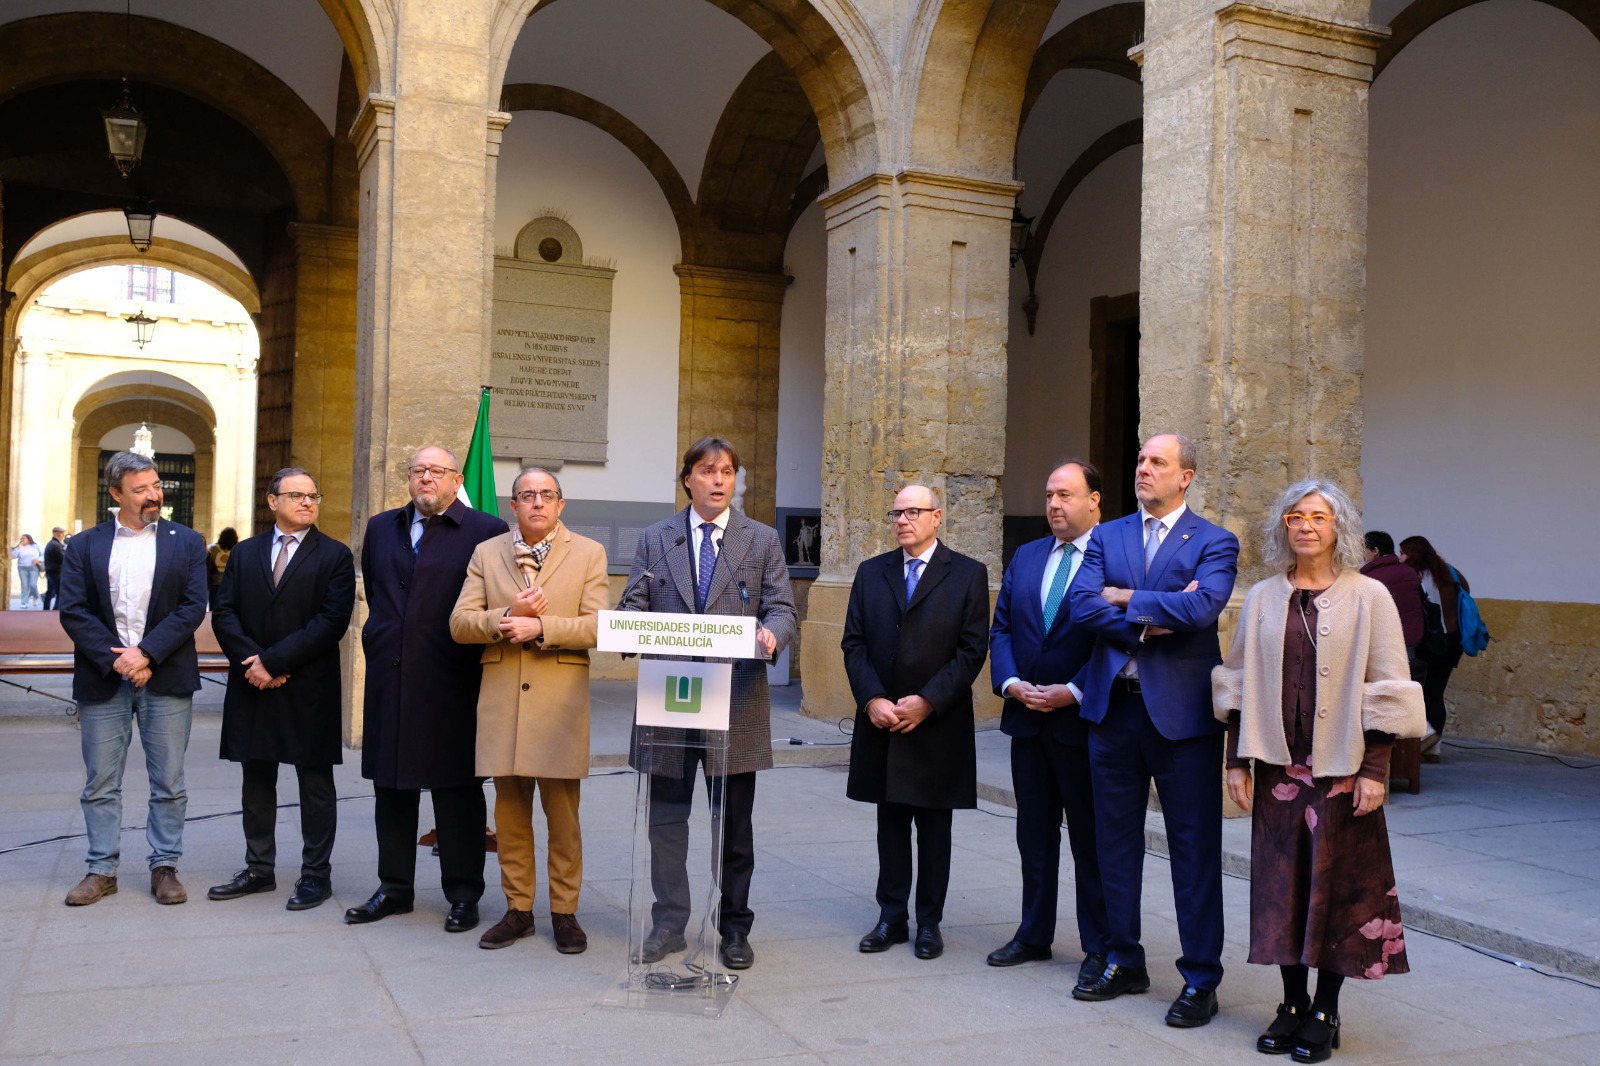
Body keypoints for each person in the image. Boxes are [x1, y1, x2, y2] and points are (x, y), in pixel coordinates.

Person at [1214, 480, 1424, 1062]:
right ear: (1283, 528)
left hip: (1342, 770)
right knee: (1280, 890)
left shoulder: (1370, 596)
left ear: (1339, 528)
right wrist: (1236, 759)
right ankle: (1290, 1005)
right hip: (1278, 770)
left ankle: (1326, 1011)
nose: (1305, 526)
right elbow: (1235, 682)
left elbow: (1388, 689)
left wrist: (1376, 770)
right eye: (1295, 517)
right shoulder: (1261, 596)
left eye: (1318, 517)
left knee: (1337, 892)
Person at [1067, 432, 1239, 1027]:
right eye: (1139, 458)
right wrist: (1148, 616)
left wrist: (1125, 597)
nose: (1142, 468)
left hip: (1183, 720)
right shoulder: (1107, 535)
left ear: (1185, 476)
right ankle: (1123, 959)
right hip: (1114, 711)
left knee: (1193, 850)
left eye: (1156, 461)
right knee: (1113, 844)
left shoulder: (1215, 540)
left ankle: (1200, 978)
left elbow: (1202, 610)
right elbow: (1081, 607)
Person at [621, 436, 796, 971]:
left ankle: (734, 928)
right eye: (707, 470)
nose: (719, 480)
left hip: (735, 701)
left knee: (733, 825)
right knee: (667, 823)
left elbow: (783, 608)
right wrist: (629, 626)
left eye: (727, 471)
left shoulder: (760, 540)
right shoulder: (658, 540)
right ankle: (669, 923)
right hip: (669, 703)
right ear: (688, 479)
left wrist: (771, 635)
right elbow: (634, 602)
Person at [347, 446, 507, 933]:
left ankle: (463, 894)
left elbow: (490, 602)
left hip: (452, 679)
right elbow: (378, 592)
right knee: (391, 788)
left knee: (456, 790)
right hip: (391, 676)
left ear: (457, 479)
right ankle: (394, 888)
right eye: (417, 471)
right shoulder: (381, 528)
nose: (425, 479)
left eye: (436, 471)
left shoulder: (486, 531)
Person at [449, 466, 608, 954]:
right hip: (502, 704)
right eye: (526, 495)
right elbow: (459, 623)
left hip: (558, 703)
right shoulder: (485, 553)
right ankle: (518, 911)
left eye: (547, 495)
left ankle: (565, 914)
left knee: (563, 820)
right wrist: (507, 618)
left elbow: (600, 626)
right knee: (511, 817)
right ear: (512, 506)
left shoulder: (588, 553)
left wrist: (542, 628)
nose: (537, 502)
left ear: (561, 506)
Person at [842, 484, 990, 961]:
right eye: (897, 512)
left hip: (936, 723)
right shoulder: (871, 573)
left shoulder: (967, 574)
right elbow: (854, 643)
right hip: (883, 721)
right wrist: (871, 700)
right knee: (890, 824)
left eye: (914, 512)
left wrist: (927, 701)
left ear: (937, 517)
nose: (903, 520)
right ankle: (891, 917)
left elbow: (971, 651)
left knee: (933, 827)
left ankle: (929, 922)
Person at [57, 451, 208, 906]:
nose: (153, 495)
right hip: (105, 679)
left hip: (165, 676)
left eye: (156, 486)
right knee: (101, 781)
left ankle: (165, 866)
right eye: (141, 489)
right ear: (116, 492)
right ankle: (101, 869)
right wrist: (118, 659)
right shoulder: (84, 545)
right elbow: (74, 610)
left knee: (170, 781)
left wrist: (146, 654)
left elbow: (191, 607)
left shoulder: (187, 542)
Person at [207, 468, 355, 911]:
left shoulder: (335, 555)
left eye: (314, 495)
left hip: (308, 686)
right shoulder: (246, 553)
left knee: (314, 784)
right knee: (256, 780)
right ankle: (258, 869)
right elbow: (224, 612)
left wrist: (273, 661)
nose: (308, 502)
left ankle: (316, 875)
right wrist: (253, 662)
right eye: (296, 495)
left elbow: (330, 622)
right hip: (253, 684)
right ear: (272, 502)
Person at [986, 461, 1109, 982]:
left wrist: (1074, 690)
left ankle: (1099, 946)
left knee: (1089, 841)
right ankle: (1033, 933)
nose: (1054, 505)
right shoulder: (1029, 554)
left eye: (1065, 495)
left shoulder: (1114, 557)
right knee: (1033, 836)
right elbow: (1004, 627)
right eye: (1048, 495)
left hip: (1082, 722)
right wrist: (1012, 683)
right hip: (1028, 720)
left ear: (1093, 501)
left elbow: (1113, 638)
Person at [1400, 535, 1469, 755]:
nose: (1400, 557)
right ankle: (1434, 748)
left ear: (1413, 555)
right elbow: (1465, 593)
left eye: (1403, 553)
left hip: (1430, 642)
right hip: (1453, 640)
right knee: (1436, 693)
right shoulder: (1450, 572)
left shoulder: (1415, 578)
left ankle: (1427, 739)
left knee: (1420, 694)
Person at [1361, 531, 1426, 687]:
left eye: (1363, 549)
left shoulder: (1370, 577)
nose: (1361, 554)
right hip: (1410, 640)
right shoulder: (1409, 572)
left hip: (1383, 646)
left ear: (1375, 551)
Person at [207, 527, 238, 610]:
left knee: (213, 609)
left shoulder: (212, 549)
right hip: (231, 584)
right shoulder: (237, 550)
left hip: (215, 583)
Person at [12, 534, 44, 608]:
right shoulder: (19, 547)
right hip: (22, 568)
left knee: (32, 584)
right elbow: (13, 556)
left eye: (24, 538)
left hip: (33, 568)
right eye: (21, 538)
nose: (22, 540)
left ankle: (36, 597)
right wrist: (18, 548)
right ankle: (24, 602)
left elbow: (43, 555)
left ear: (29, 539)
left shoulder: (36, 546)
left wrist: (38, 559)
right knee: (24, 585)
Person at [41, 527, 67, 610]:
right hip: (56, 572)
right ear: (57, 533)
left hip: (51, 571)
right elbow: (62, 558)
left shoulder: (52, 544)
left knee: (50, 592)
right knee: (60, 592)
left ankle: (46, 608)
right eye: (62, 533)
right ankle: (56, 609)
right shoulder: (55, 545)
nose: (63, 535)